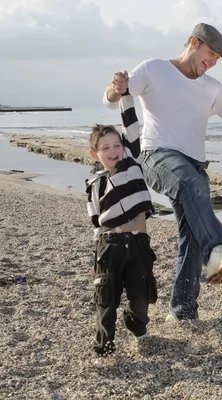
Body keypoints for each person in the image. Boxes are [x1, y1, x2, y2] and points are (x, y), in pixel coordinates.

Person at [102, 23, 222, 322]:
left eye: (216, 59)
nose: (212, 62)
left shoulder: (211, 87)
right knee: (191, 185)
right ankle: (218, 250)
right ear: (194, 42)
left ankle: (182, 311)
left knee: (190, 237)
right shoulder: (155, 69)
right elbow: (113, 97)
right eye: (210, 54)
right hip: (156, 155)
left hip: (195, 167)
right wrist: (115, 88)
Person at [85, 93, 157, 356]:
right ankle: (103, 349)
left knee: (141, 299)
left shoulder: (132, 164)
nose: (113, 151)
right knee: (105, 302)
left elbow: (131, 125)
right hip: (109, 247)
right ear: (95, 154)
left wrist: (125, 94)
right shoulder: (94, 185)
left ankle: (135, 323)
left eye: (116, 145)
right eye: (105, 148)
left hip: (138, 244)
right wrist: (95, 261)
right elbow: (96, 224)